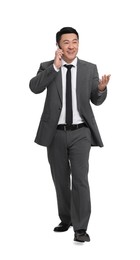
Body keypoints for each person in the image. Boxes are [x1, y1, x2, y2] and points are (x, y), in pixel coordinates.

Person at [29, 27, 111, 243]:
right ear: (58, 45)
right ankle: (66, 219)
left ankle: (81, 228)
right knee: (60, 180)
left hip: (81, 132)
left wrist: (101, 89)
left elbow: (96, 99)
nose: (71, 46)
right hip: (55, 134)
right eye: (66, 42)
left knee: (81, 180)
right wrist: (55, 67)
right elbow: (34, 87)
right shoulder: (47, 67)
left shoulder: (89, 68)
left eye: (75, 41)